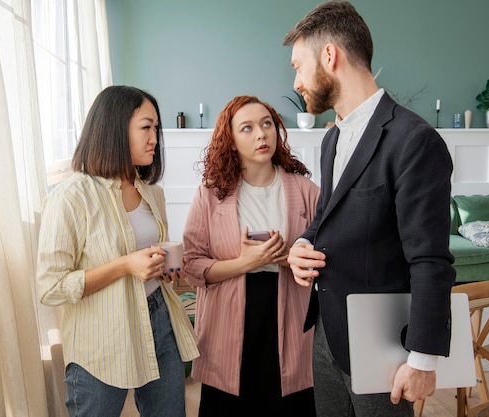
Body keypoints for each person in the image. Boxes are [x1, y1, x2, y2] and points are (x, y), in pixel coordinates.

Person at [282, 1, 456, 416]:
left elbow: (431, 260)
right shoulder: (331, 140)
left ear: (329, 56)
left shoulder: (414, 141)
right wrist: (301, 246)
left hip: (384, 345)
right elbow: (326, 217)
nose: (297, 81)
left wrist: (422, 359)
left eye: (297, 66)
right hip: (326, 335)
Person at [36, 85, 199, 417]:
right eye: (145, 127)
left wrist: (166, 270)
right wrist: (126, 265)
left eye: (157, 128)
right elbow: (50, 287)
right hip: (102, 335)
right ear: (114, 128)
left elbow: (150, 256)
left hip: (159, 319)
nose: (155, 137)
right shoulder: (70, 197)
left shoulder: (153, 193)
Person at [182, 95, 320, 417]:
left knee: (290, 403)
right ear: (230, 141)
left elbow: (328, 255)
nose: (261, 134)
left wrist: (287, 257)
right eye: (247, 128)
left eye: (267, 124)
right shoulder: (211, 194)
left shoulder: (306, 191)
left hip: (290, 313)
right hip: (228, 318)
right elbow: (192, 265)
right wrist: (246, 263)